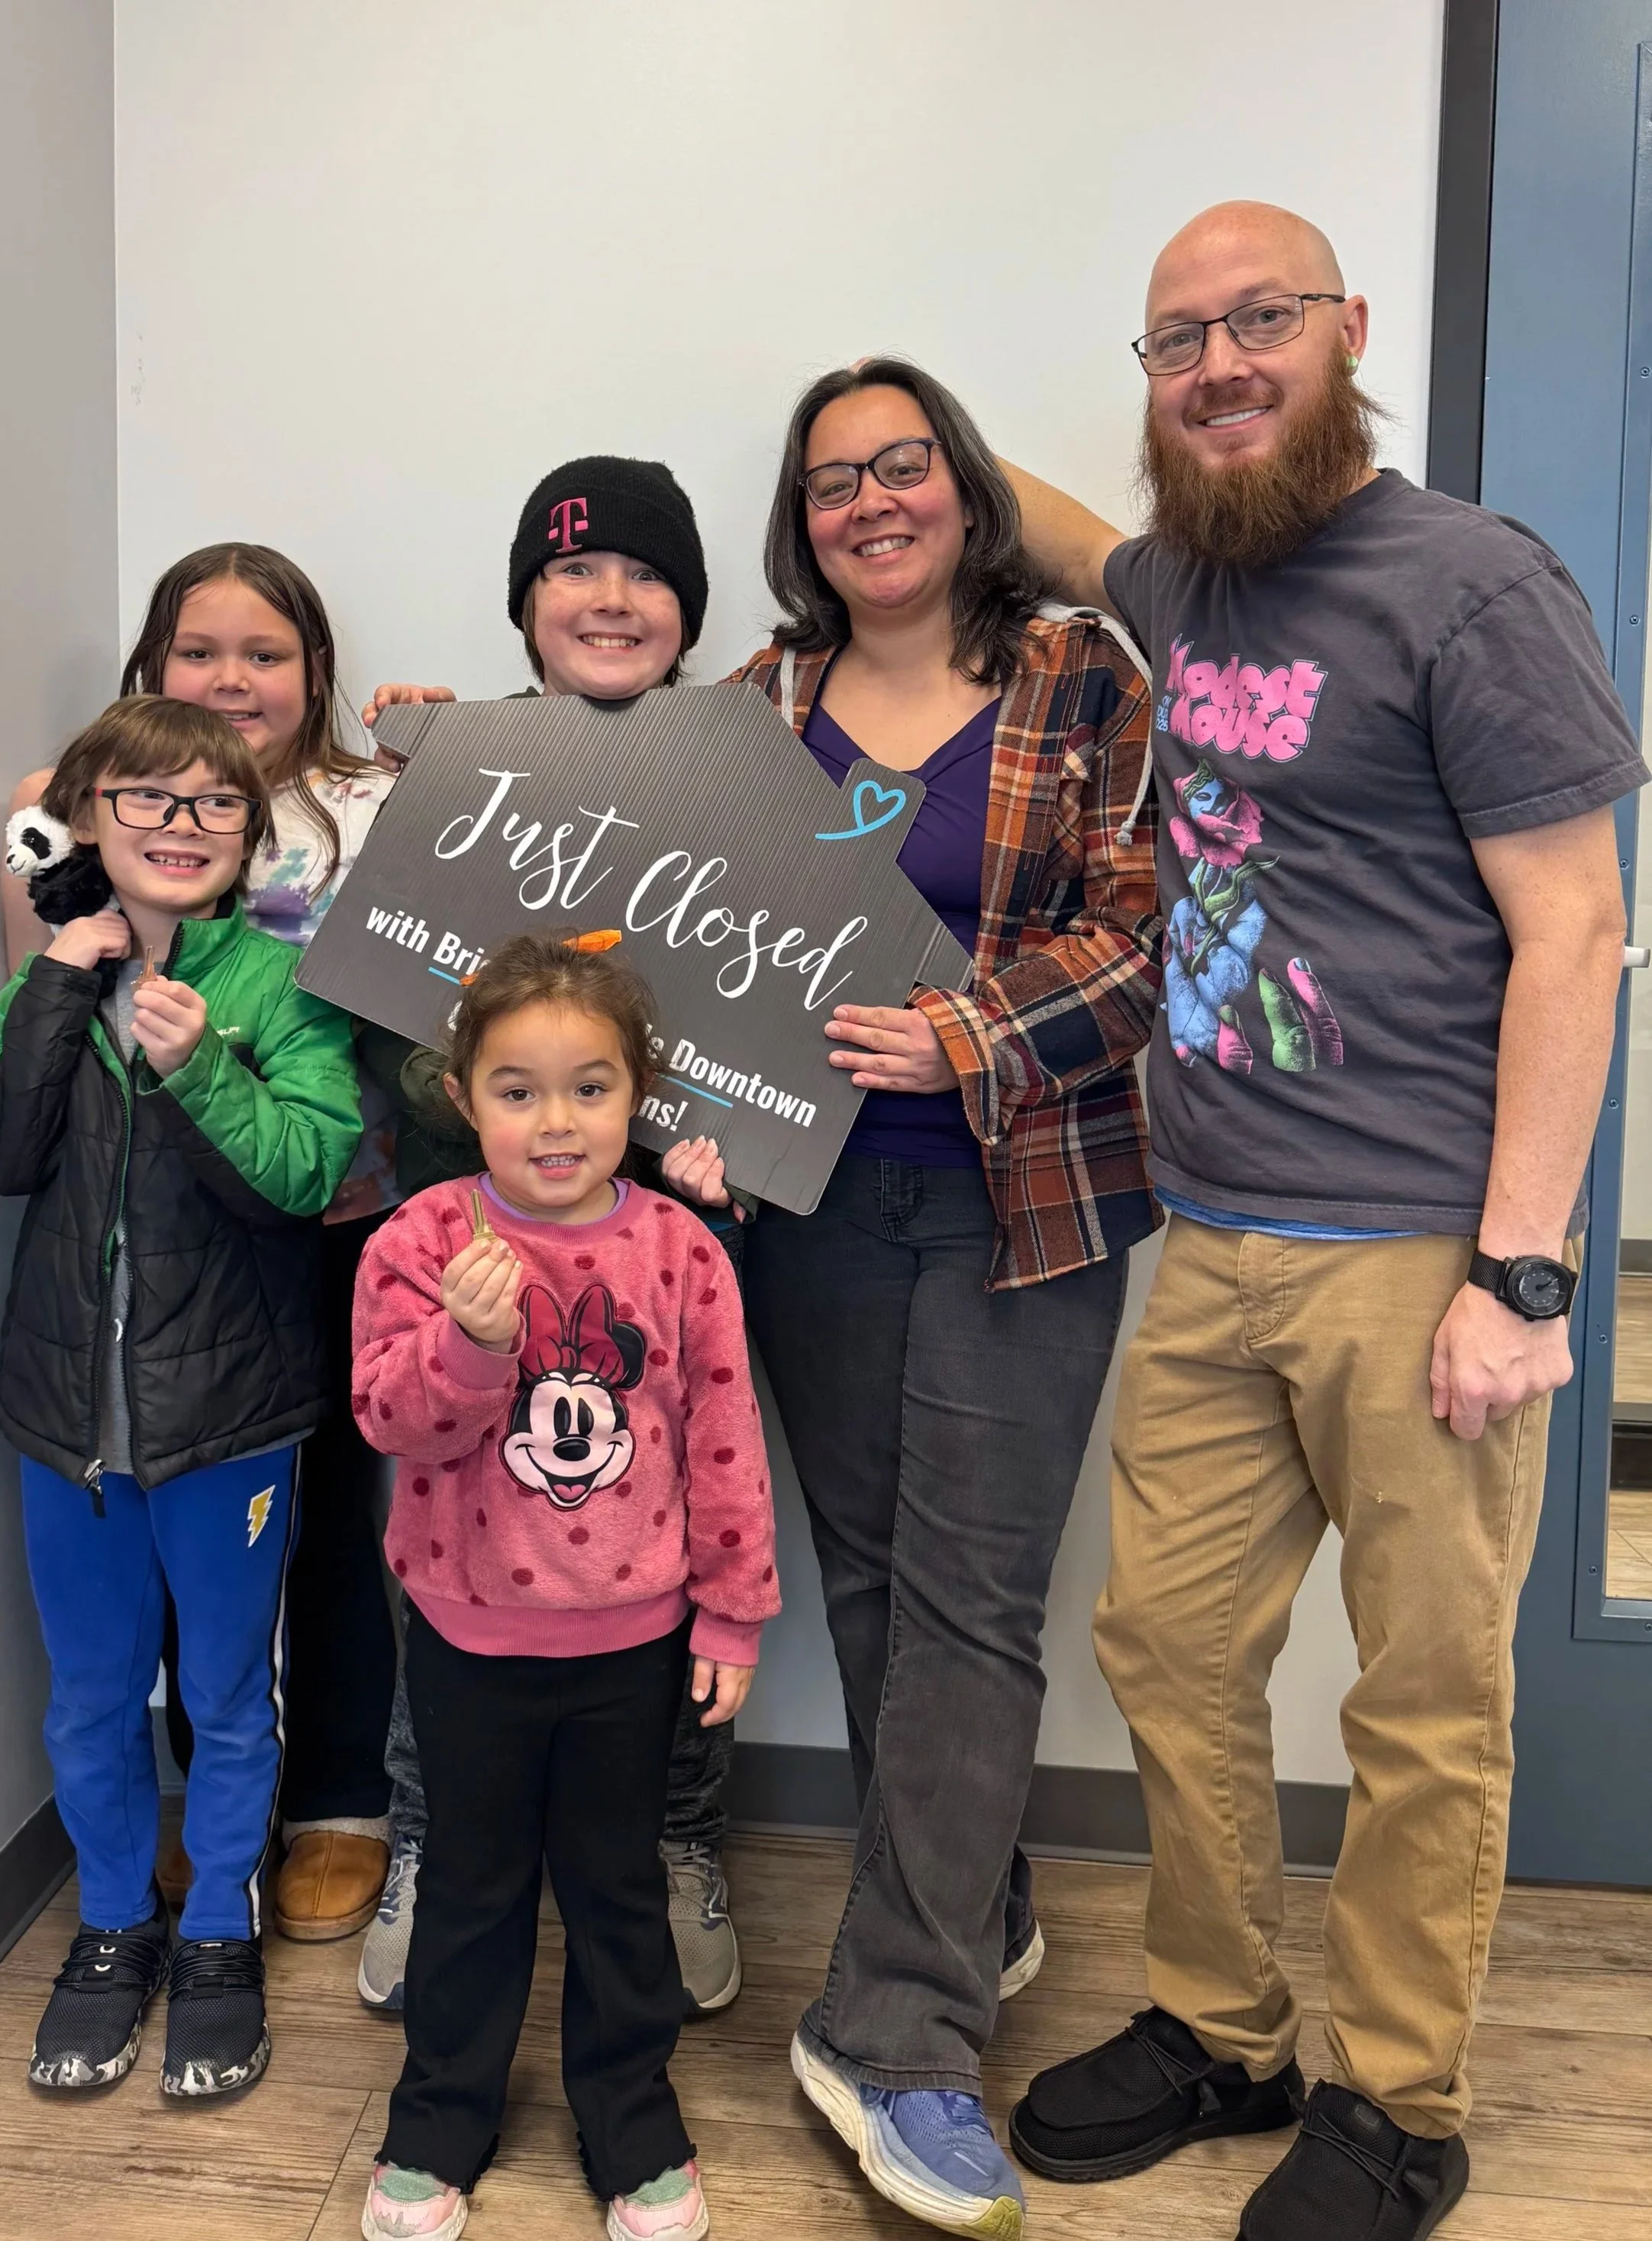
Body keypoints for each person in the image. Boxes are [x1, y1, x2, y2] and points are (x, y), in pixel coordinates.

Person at [1000, 202, 1647, 2241]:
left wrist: (1520, 1270)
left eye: (1255, 320)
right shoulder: (1186, 582)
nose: (1212, 364)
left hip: (1416, 1246)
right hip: (1212, 1225)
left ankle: (1395, 2100)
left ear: (1346, 330)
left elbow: (1580, 928)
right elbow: (1045, 527)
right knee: (1169, 1644)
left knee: (1420, 1696)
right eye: (1174, 338)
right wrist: (894, 428)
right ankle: (1222, 2019)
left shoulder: (1469, 583)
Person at [678, 357, 1161, 2240]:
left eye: (899, 466)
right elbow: (666, 922)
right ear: (799, 526)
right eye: (827, 484)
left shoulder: (1079, 673)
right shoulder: (758, 706)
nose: (867, 502)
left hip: (1021, 1208)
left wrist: (958, 1028)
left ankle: (899, 2036)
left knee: (967, 1601)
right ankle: (982, 1895)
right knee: (875, 1577)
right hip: (807, 1215)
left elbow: (1141, 931)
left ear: (963, 486)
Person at [356, 458, 751, 2024]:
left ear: (685, 612)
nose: (607, 599)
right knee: (452, 1536)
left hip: (670, 1248)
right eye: (574, 575)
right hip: (479, 1258)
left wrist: (704, 1143)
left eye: (644, 577)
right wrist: (412, 775)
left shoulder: (743, 790)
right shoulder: (459, 780)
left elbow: (765, 1029)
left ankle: (672, 1844)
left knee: (670, 1527)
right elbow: (399, 1043)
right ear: (527, 605)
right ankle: (424, 1835)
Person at [0, 696, 362, 2097]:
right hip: (66, 1416)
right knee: (88, 1695)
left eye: (214, 803)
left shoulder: (284, 983)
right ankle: (114, 1924)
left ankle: (214, 1934)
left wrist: (201, 1073)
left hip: (230, 1416)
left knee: (228, 1691)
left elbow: (308, 1175)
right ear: (88, 822)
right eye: (148, 800)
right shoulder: (49, 975)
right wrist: (64, 981)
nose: (182, 826)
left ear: (251, 833)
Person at [351, 933, 779, 2241]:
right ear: (462, 1094)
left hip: (633, 1641)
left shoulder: (682, 1249)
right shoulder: (422, 1238)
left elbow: (723, 1434)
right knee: (471, 1890)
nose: (556, 1121)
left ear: (638, 1097)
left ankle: (632, 2120)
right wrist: (475, 1347)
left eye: (591, 1087)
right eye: (518, 1088)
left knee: (615, 1888)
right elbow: (388, 1417)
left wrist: (733, 1608)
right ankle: (437, 2121)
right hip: (469, 1640)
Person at [2, 544, 402, 1943]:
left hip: (344, 1219)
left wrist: (446, 752)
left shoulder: (380, 801)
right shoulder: (83, 810)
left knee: (341, 1528)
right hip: (159, 1229)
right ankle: (197, 1815)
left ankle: (338, 1803)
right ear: (151, 667)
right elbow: (28, 1061)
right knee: (162, 1537)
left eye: (267, 652)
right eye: (198, 649)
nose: (231, 677)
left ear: (317, 673)